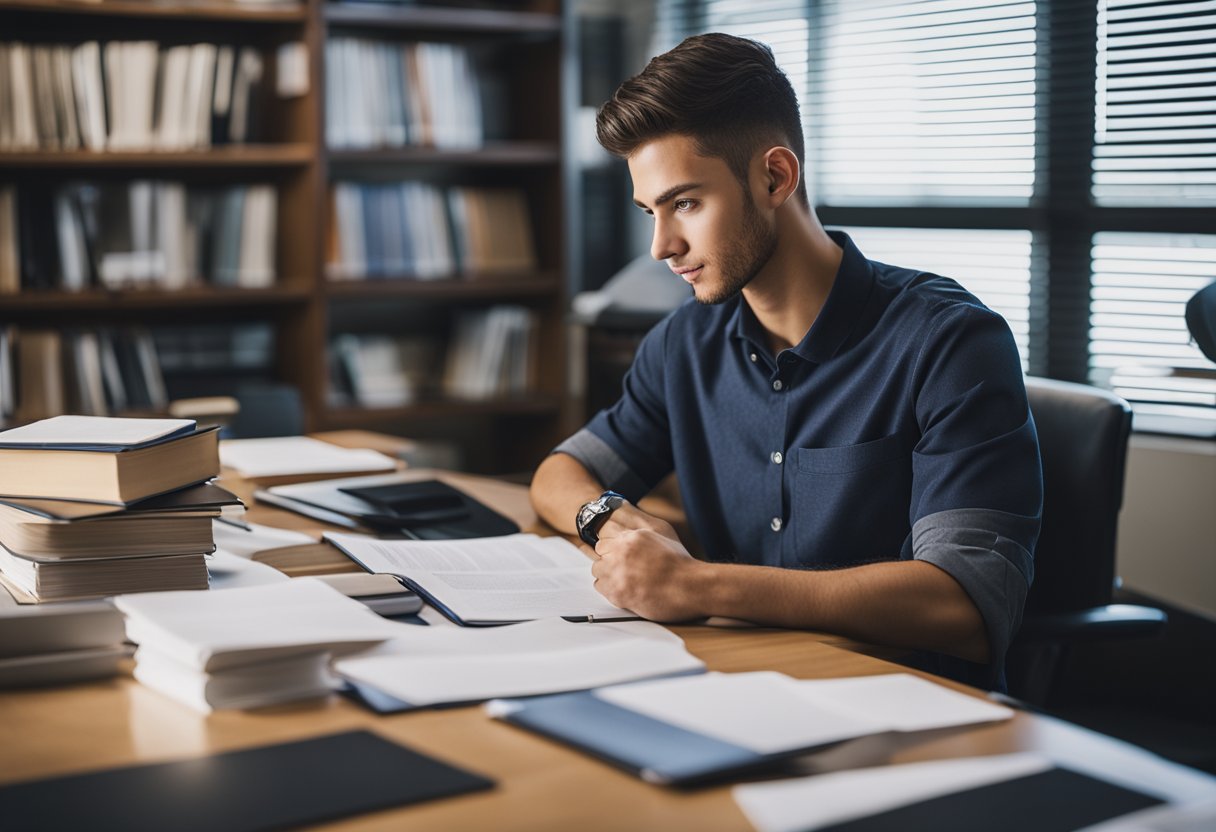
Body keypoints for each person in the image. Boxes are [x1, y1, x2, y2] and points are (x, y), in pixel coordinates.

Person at [530, 33, 1043, 687]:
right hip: (730, 688)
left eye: (685, 203)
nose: (662, 245)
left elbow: (966, 603)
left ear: (775, 176)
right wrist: (609, 520)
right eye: (650, 211)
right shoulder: (683, 343)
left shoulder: (950, 342)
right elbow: (560, 472)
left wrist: (701, 585)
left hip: (908, 717)